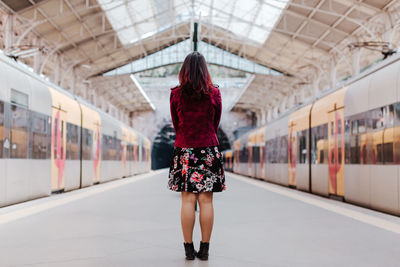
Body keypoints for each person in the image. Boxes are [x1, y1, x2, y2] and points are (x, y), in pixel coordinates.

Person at [168, 51, 226, 261]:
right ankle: (205, 249)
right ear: (205, 71)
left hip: (184, 149)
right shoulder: (215, 93)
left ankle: (187, 249)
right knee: (206, 201)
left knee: (187, 200)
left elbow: (176, 124)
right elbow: (215, 123)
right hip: (208, 149)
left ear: (183, 71)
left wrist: (186, 138)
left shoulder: (175, 94)